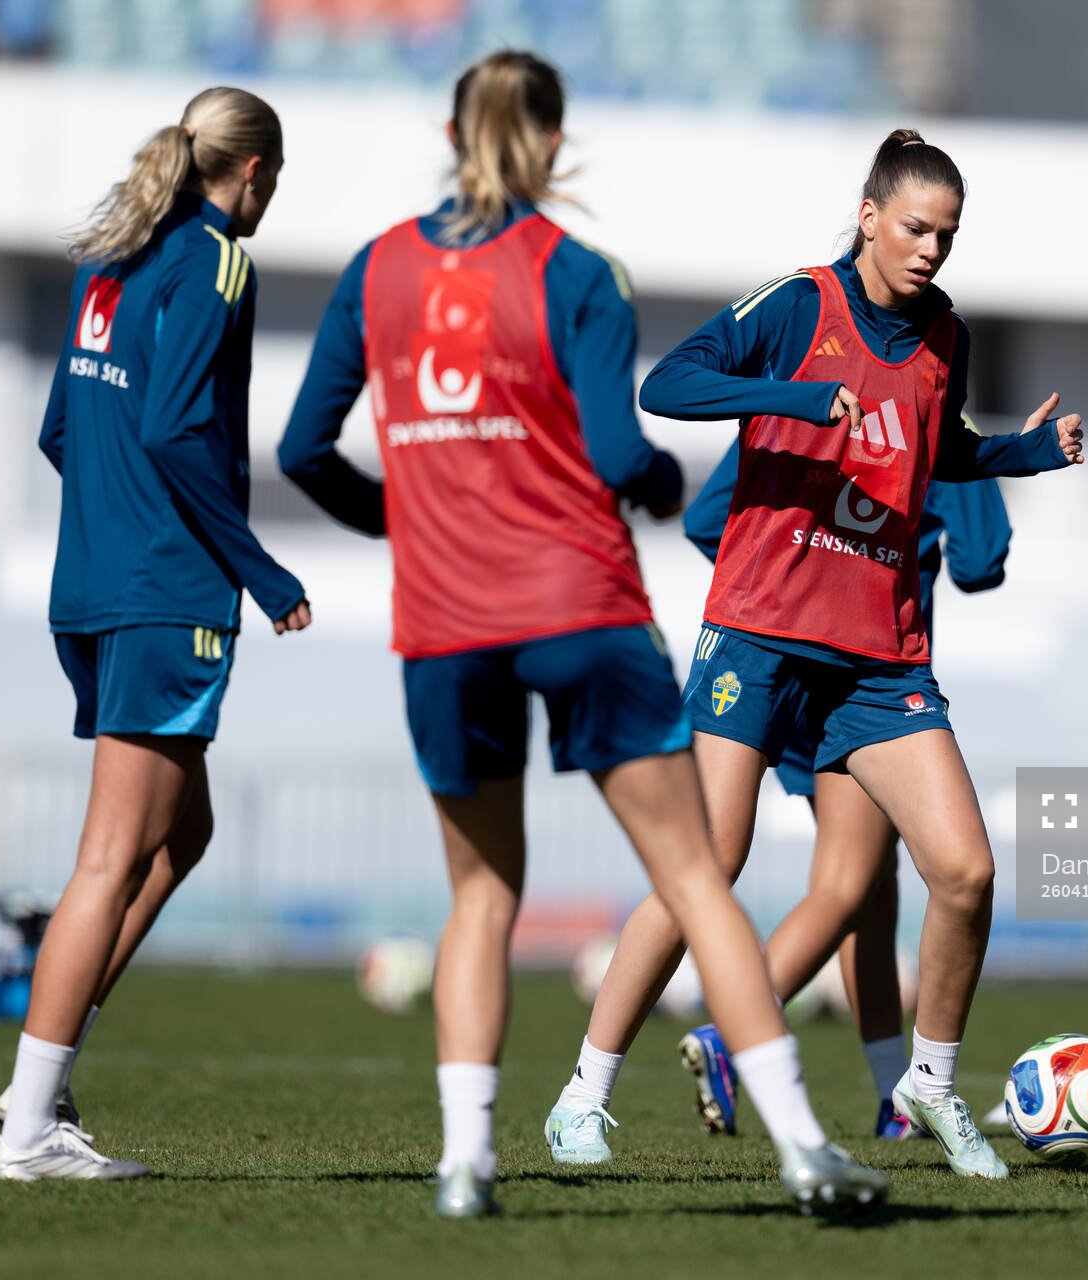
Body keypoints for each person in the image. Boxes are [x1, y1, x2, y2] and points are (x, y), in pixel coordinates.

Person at [277, 50, 887, 1219]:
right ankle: (806, 1146)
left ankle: (465, 1164)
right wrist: (663, 486)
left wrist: (404, 524)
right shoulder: (577, 271)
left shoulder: (377, 268)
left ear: (450, 131)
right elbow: (619, 455)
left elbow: (306, 449)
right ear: (554, 144)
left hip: (444, 624)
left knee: (480, 895)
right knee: (696, 876)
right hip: (580, 607)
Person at [545, 128, 1085, 1180]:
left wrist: (1023, 452)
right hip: (759, 630)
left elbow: (946, 451)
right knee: (709, 861)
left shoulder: (946, 337)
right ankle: (584, 1092)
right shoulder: (799, 303)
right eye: (916, 226)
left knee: (965, 872)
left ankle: (926, 1085)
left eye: (949, 233)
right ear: (871, 215)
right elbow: (670, 384)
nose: (931, 248)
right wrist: (792, 398)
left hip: (882, 656)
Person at [0, 87, 309, 1182]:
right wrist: (260, 572)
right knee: (112, 856)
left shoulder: (113, 254)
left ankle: (45, 1061)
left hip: (87, 587)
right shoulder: (217, 259)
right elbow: (178, 429)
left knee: (184, 837)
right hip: (165, 595)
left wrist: (111, 527)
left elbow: (60, 428)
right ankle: (30, 1120)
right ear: (254, 174)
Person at [671, 437, 1011, 1141]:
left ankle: (894, 1100)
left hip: (770, 663)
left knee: (871, 887)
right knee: (848, 883)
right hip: (861, 683)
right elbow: (980, 564)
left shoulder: (804, 400)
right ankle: (734, 1035)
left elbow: (708, 521)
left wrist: (787, 580)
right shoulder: (934, 416)